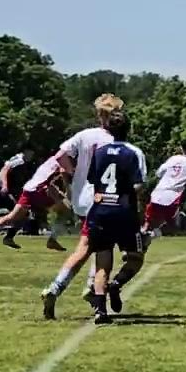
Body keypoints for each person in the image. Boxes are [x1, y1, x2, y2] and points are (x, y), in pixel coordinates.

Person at [41, 111, 147, 323]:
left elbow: (76, 167)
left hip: (95, 205)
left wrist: (71, 182)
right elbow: (139, 186)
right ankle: (109, 286)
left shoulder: (94, 144)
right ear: (129, 129)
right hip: (121, 209)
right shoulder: (134, 152)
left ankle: (92, 302)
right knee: (133, 256)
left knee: (97, 254)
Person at [0, 149, 68, 252]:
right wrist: (65, 192)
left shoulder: (50, 161)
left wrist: (57, 192)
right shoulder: (65, 160)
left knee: (12, 216)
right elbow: (58, 175)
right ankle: (52, 240)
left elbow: (46, 180)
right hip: (39, 190)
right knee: (64, 210)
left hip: (28, 189)